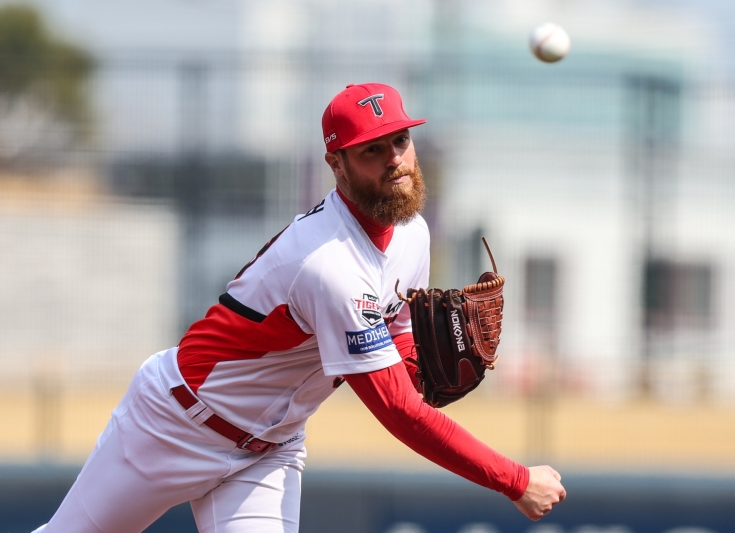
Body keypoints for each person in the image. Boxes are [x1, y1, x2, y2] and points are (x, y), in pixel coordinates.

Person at [35, 83, 566, 533]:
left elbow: (400, 330)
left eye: (400, 140)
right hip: (174, 425)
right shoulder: (328, 265)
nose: (395, 160)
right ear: (336, 164)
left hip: (269, 449)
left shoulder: (413, 233)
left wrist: (415, 367)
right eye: (371, 150)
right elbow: (398, 411)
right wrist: (515, 480)